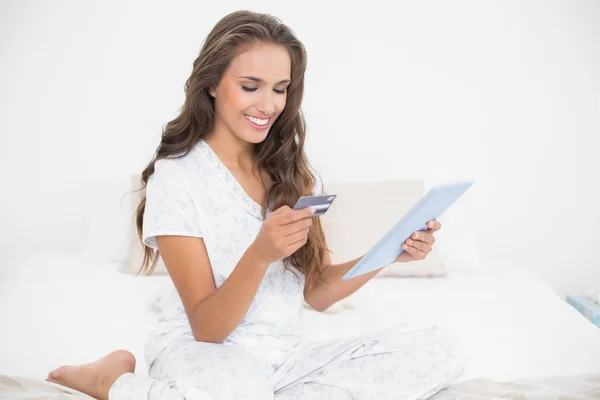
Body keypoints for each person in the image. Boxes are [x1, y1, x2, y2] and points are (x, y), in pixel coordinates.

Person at [46, 10, 464, 400]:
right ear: (211, 84)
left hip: (286, 358)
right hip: (206, 353)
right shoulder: (177, 178)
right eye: (250, 87)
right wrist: (260, 254)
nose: (268, 106)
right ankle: (110, 380)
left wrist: (390, 253)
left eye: (280, 89)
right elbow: (208, 328)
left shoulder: (289, 172)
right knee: (239, 392)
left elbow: (316, 294)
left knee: (438, 351)